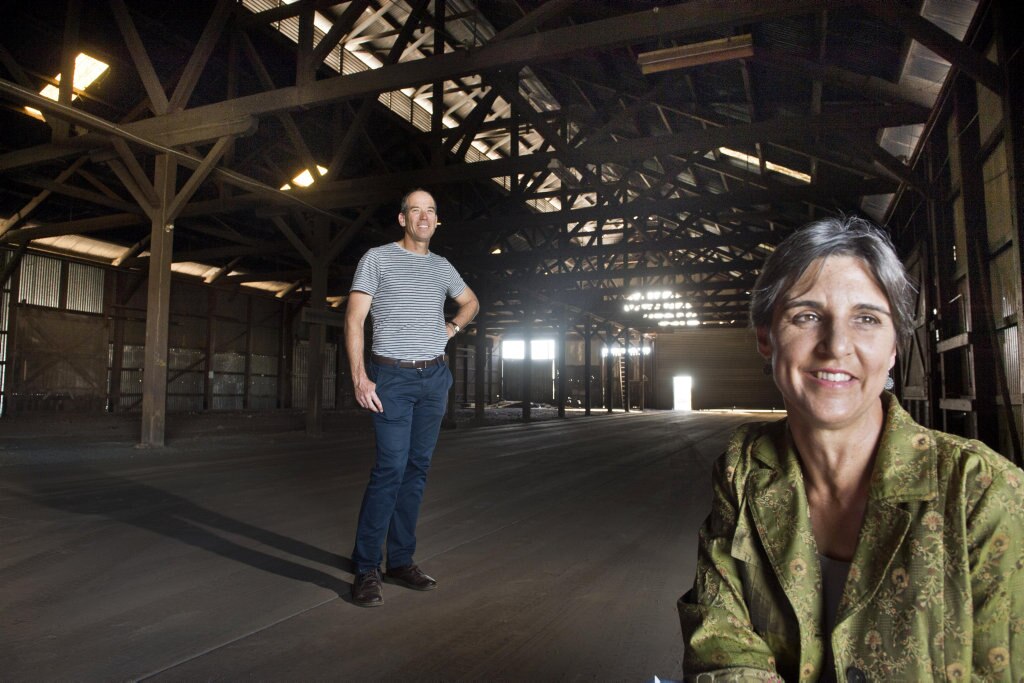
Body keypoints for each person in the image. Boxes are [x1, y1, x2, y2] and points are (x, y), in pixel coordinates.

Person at [679, 216, 1024, 681]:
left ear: (895, 347)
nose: (836, 346)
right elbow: (721, 643)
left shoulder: (982, 493)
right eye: (806, 316)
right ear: (766, 338)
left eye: (866, 319)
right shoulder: (743, 472)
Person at [345, 188, 479, 607]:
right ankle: (367, 566)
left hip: (434, 378)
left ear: (437, 221)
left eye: (431, 211)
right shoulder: (377, 259)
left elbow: (471, 302)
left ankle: (400, 560)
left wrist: (452, 327)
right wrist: (359, 377)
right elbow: (353, 319)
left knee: (417, 468)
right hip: (392, 378)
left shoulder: (442, 268)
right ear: (402, 219)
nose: (424, 217)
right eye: (415, 210)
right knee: (390, 467)